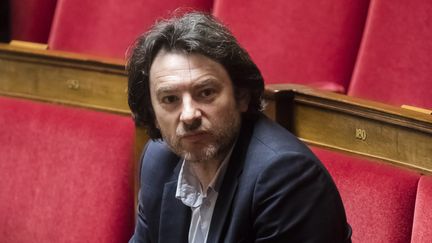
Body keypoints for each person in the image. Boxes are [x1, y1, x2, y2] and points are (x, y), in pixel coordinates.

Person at [127, 12, 352, 243]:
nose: (189, 115)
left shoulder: (286, 178)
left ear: (241, 96)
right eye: (170, 99)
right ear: (153, 114)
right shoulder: (158, 161)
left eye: (206, 93)